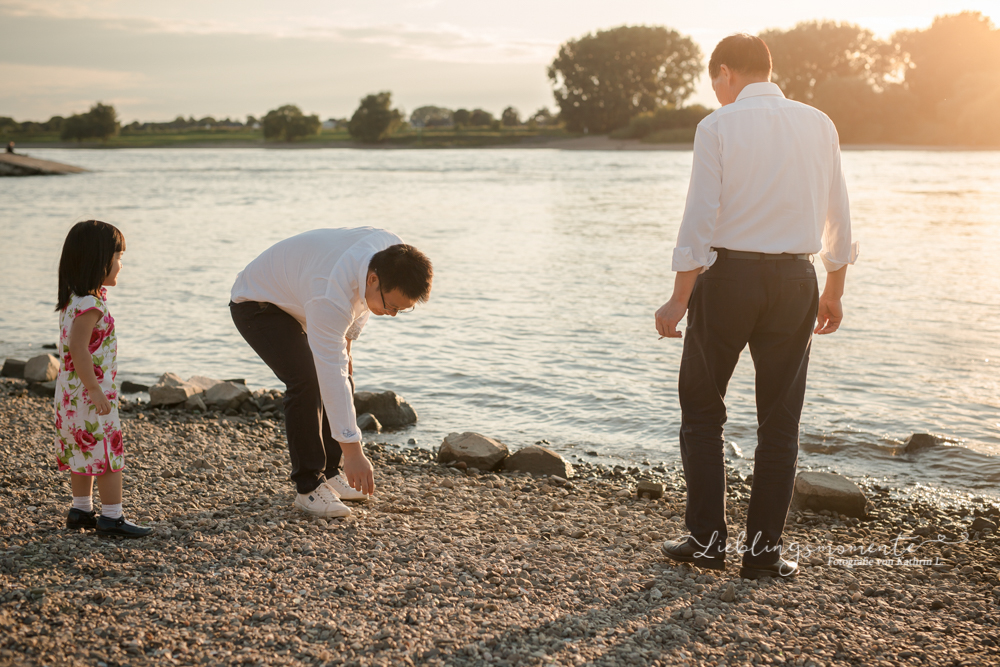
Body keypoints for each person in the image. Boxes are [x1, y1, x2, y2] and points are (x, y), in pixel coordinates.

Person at [655, 34, 857, 579]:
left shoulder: (717, 126)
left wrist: (679, 296)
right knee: (780, 421)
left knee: (701, 412)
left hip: (727, 280)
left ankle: (705, 542)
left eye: (712, 80)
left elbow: (700, 214)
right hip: (797, 280)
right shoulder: (820, 123)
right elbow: (839, 213)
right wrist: (834, 288)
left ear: (725, 73)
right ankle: (763, 554)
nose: (714, 90)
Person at [230, 228, 433, 518]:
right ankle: (308, 487)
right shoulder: (329, 294)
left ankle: (330, 471)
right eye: (391, 306)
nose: (392, 314)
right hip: (257, 302)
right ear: (374, 279)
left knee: (342, 369)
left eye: (403, 309)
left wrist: (347, 343)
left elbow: (358, 307)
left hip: (300, 292)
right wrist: (355, 452)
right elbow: (331, 370)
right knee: (308, 380)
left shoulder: (393, 253)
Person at [55, 220, 152, 538]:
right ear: (99, 261)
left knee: (82, 452)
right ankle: (112, 517)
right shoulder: (91, 306)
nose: (121, 264)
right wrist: (96, 389)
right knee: (109, 455)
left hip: (70, 396)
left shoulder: (73, 302)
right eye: (119, 257)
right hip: (91, 392)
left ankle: (81, 509)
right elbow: (78, 348)